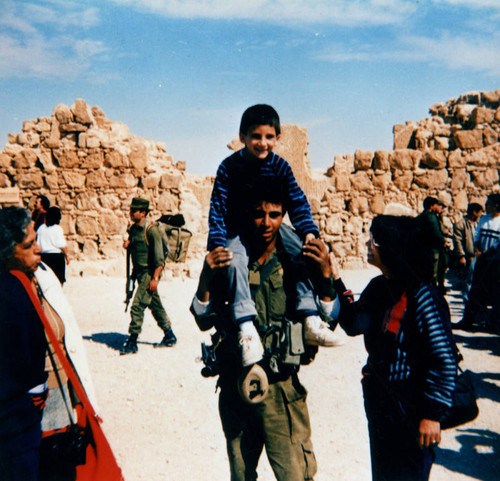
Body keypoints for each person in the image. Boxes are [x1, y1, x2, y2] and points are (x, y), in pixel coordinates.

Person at [191, 184, 340, 481]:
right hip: (237, 387)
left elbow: (330, 319)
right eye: (259, 214)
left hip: (281, 390)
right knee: (242, 475)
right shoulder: (229, 257)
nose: (266, 222)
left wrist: (325, 277)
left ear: (284, 215)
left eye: (274, 214)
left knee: (295, 475)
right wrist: (206, 278)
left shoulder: (297, 257)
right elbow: (204, 319)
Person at [208, 104, 337, 367]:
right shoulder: (229, 168)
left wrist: (309, 232)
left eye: (269, 137)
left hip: (273, 228)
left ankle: (310, 315)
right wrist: (218, 245)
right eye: (256, 136)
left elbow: (297, 201)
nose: (262, 143)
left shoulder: (280, 166)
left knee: (302, 252)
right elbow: (218, 209)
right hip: (240, 230)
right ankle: (246, 328)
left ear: (278, 138)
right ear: (242, 137)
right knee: (234, 263)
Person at [333, 215, 458, 481]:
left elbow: (444, 359)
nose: (368, 244)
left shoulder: (422, 296)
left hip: (410, 411)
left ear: (391, 248)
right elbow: (355, 323)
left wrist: (432, 415)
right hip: (382, 405)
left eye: (374, 241)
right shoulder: (381, 287)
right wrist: (332, 279)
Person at [0, 206, 97, 481]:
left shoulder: (44, 275)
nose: (39, 249)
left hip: (63, 405)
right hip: (21, 424)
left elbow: (68, 340)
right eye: (29, 244)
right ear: (8, 251)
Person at [121, 197, 177, 355]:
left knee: (137, 306)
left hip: (148, 273)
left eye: (134, 211)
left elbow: (159, 258)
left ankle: (132, 342)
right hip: (138, 273)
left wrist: (155, 278)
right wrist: (128, 244)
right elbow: (136, 246)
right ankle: (169, 335)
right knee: (154, 305)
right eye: (131, 210)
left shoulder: (151, 230)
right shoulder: (133, 229)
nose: (131, 213)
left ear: (143, 212)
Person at [452, 202, 484, 301]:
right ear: (474, 212)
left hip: (478, 255)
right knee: (468, 280)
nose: (481, 214)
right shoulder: (460, 224)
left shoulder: (479, 223)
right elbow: (458, 241)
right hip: (468, 256)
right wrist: (461, 256)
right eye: (480, 212)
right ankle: (467, 301)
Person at [417, 197, 447, 294]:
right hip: (433, 249)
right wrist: (443, 242)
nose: (439, 207)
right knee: (433, 273)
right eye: (437, 205)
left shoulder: (423, 216)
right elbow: (436, 232)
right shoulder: (430, 217)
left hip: (426, 249)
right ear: (431, 206)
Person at [36, 206, 69, 285]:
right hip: (56, 258)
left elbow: (38, 242)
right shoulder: (57, 229)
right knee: (58, 280)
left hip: (44, 257)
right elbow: (61, 244)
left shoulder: (41, 228)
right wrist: (67, 255)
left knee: (46, 280)